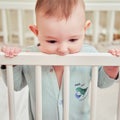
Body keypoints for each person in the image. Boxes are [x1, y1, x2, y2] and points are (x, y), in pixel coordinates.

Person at [1, 0, 120, 120]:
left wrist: (110, 69)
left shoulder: (90, 55)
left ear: (85, 29)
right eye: (52, 41)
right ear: (36, 32)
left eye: (72, 40)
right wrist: (12, 62)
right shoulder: (29, 56)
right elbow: (15, 85)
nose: (63, 50)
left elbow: (102, 82)